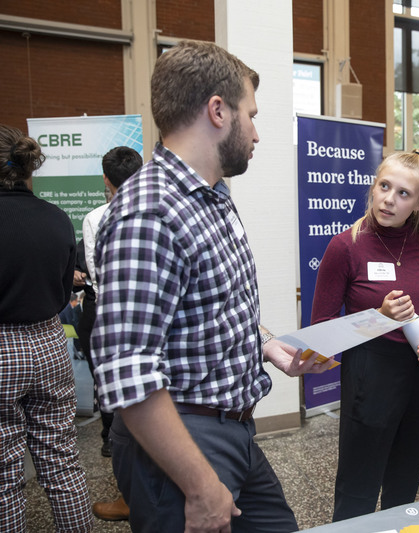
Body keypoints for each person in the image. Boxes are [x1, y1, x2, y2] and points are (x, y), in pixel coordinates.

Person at [91, 40, 333, 533]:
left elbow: (216, 305)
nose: (258, 134)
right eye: (252, 115)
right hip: (181, 438)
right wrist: (200, 486)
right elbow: (129, 374)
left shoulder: (212, 195)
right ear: (218, 111)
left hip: (235, 427)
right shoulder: (150, 212)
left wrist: (268, 346)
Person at [311, 150, 419, 521]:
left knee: (404, 485)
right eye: (384, 186)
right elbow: (321, 331)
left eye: (403, 193)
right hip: (370, 378)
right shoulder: (345, 247)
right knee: (357, 490)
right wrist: (378, 318)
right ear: (373, 187)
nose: (389, 199)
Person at [0, 124, 93, 532]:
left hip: (2, 349)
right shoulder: (57, 219)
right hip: (50, 343)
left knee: (4, 478)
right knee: (63, 464)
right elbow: (61, 292)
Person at [80, 146, 142, 522]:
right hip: (154, 320)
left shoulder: (98, 217)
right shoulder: (164, 208)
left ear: (106, 179)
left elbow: (97, 273)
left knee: (123, 417)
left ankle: (133, 498)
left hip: (114, 317)